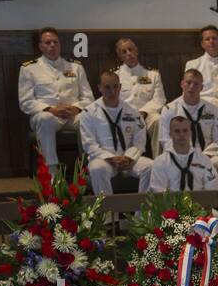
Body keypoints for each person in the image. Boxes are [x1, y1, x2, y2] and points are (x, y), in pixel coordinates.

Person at [19, 27, 94, 173]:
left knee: (88, 117)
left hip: (72, 114)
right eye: (47, 42)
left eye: (55, 42)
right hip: (48, 115)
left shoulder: (75, 66)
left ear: (60, 44)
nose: (52, 45)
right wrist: (51, 109)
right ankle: (52, 171)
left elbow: (89, 98)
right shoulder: (29, 69)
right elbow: (25, 102)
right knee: (44, 118)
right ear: (40, 46)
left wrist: (76, 108)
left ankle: (88, 168)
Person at [80, 70, 154, 194]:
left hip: (129, 159)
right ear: (100, 88)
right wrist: (111, 158)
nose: (112, 91)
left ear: (120, 87)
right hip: (103, 159)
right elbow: (89, 144)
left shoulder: (132, 111)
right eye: (107, 87)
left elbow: (140, 141)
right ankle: (107, 212)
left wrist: (128, 157)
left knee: (151, 167)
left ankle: (142, 213)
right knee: (97, 169)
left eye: (115, 87)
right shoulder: (89, 113)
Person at [159, 69, 218, 179]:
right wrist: (185, 154)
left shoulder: (213, 110)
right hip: (180, 155)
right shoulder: (170, 109)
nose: (192, 87)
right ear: (182, 84)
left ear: (201, 88)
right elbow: (164, 139)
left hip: (207, 155)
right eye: (188, 82)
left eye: (196, 84)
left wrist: (205, 155)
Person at [114, 38, 166, 159]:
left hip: (147, 115)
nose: (129, 53)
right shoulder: (115, 76)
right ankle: (124, 162)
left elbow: (160, 99)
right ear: (120, 56)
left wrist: (144, 112)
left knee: (158, 120)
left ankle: (159, 161)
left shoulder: (153, 74)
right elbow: (113, 100)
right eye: (124, 52)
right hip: (125, 115)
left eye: (131, 49)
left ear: (136, 51)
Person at [149, 115, 218, 192]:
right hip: (171, 203)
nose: (182, 134)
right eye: (177, 131)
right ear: (170, 134)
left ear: (190, 132)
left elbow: (212, 188)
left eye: (185, 130)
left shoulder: (204, 160)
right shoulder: (160, 162)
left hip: (200, 202)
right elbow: (158, 190)